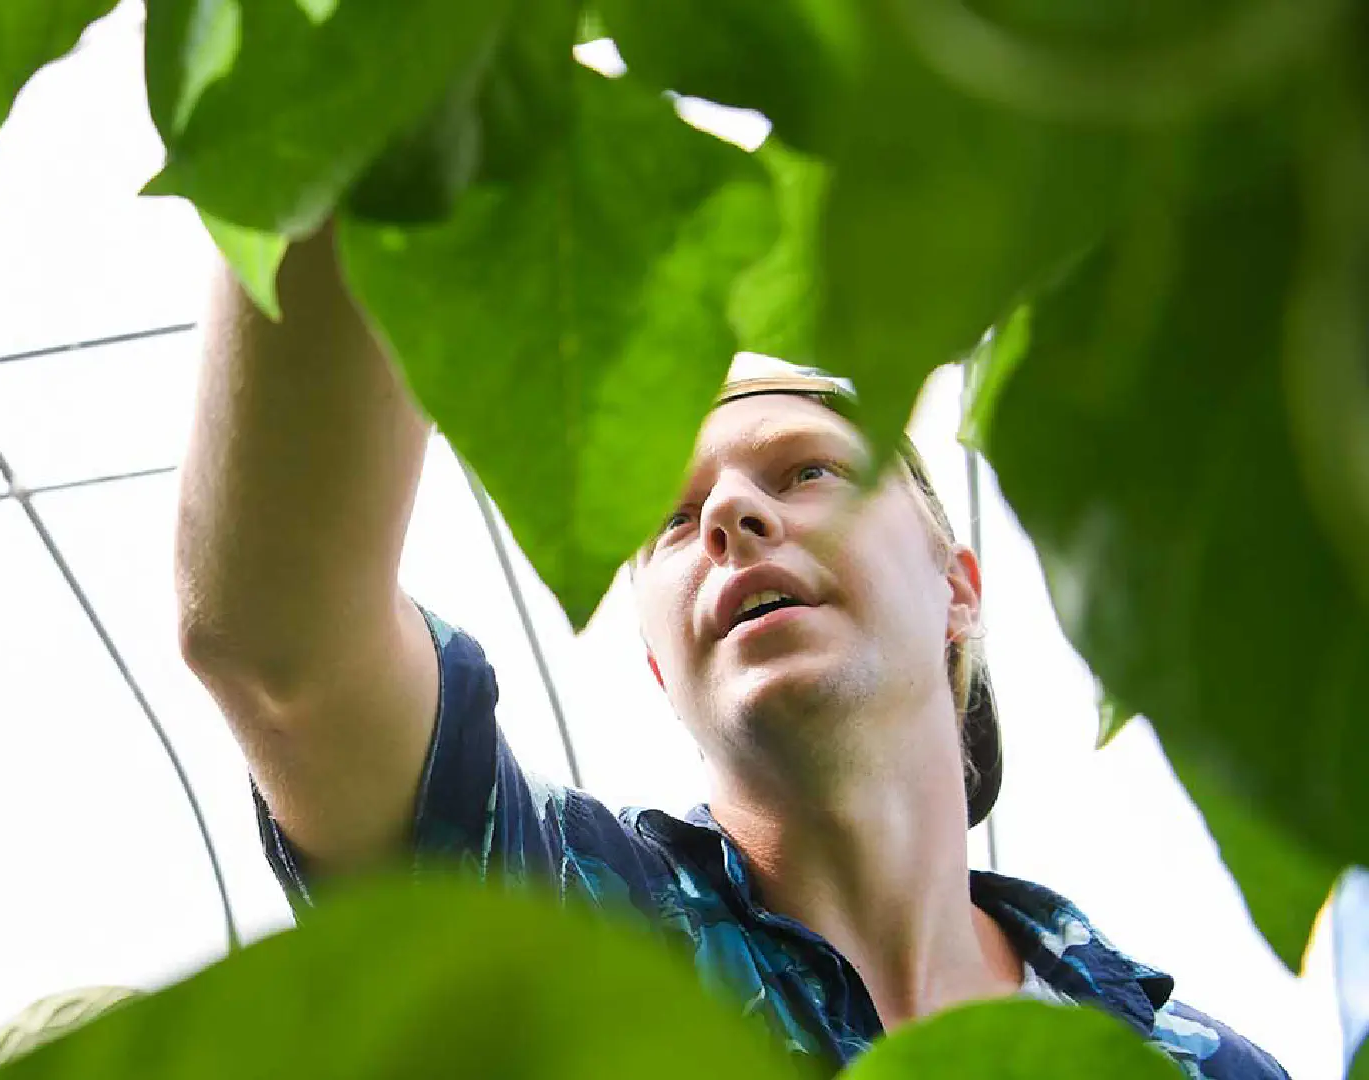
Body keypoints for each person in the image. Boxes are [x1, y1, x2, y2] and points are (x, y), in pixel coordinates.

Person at [173, 227, 1289, 1078]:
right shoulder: (565, 922)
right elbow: (283, 653)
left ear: (957, 589)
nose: (730, 519)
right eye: (670, 516)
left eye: (807, 470)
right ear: (661, 665)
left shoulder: (1193, 1065)